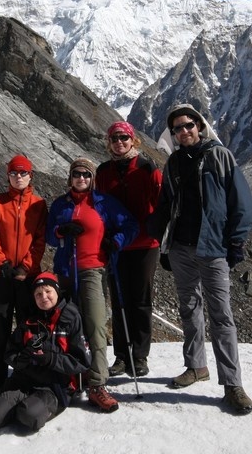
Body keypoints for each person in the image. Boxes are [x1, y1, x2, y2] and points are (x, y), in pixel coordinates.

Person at [149, 103, 252, 414]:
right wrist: (160, 243)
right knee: (190, 308)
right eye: (177, 129)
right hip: (181, 247)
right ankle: (196, 366)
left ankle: (233, 384)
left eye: (188, 125)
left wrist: (236, 242)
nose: (183, 131)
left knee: (221, 315)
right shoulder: (173, 163)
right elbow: (165, 204)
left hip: (212, 247)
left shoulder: (220, 155)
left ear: (199, 125)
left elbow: (242, 202)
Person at [46, 157, 137, 413]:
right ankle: (72, 376)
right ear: (70, 177)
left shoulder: (103, 203)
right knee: (66, 326)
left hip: (92, 271)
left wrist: (116, 241)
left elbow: (130, 224)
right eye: (77, 174)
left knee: (95, 324)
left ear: (92, 178)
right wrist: (61, 232)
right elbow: (48, 235)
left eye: (86, 175)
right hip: (64, 272)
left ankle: (97, 382)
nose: (82, 179)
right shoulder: (60, 205)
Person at [0, 272, 90, 432]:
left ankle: (25, 406)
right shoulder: (29, 318)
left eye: (48, 291)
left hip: (54, 386)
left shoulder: (71, 318)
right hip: (23, 381)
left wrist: (52, 360)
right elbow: (9, 352)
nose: (43, 297)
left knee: (28, 415)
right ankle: (11, 404)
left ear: (57, 292)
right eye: (38, 294)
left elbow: (82, 361)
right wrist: (20, 360)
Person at [96, 121, 163, 378]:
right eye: (114, 138)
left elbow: (160, 203)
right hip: (116, 245)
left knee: (141, 300)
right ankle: (122, 356)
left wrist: (155, 231)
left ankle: (140, 356)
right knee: (119, 300)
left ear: (133, 140)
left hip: (145, 244)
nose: (119, 142)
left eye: (124, 137)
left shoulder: (147, 169)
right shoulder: (103, 172)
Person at [0, 155, 48, 397]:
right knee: (0, 334)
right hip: (0, 277)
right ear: (8, 175)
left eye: (23, 173)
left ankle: (24, 381)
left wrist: (26, 268)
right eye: (14, 173)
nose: (18, 177)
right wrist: (2, 264)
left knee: (27, 332)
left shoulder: (39, 205)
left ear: (31, 176)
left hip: (27, 279)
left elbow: (40, 240)